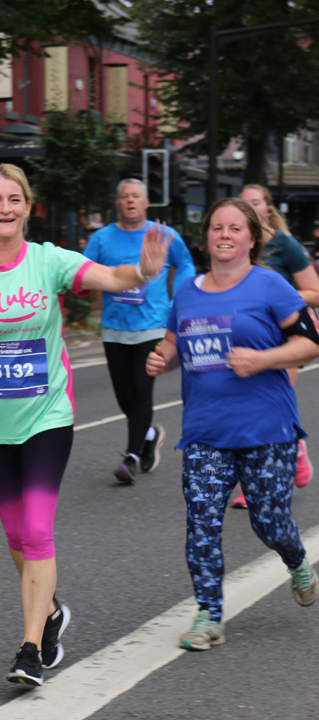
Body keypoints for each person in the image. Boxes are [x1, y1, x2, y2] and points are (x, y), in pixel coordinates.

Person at [0, 163, 169, 686]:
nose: (5, 208)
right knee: (17, 536)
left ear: (27, 207)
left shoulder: (48, 261)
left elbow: (112, 278)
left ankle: (30, 648)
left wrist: (143, 272)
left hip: (47, 417)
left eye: (14, 199)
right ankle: (53, 611)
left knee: (36, 530)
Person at [145, 198, 319, 650]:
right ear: (206, 237)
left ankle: (297, 560)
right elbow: (172, 344)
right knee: (201, 522)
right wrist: (160, 360)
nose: (224, 234)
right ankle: (209, 615)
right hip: (205, 431)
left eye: (235, 228)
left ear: (252, 239)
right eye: (217, 227)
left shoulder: (272, 286)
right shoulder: (186, 291)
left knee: (269, 522)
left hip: (267, 429)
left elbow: (310, 343)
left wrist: (263, 359)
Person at [83, 179, 194, 484]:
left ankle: (131, 457)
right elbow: (81, 271)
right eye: (125, 197)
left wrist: (176, 299)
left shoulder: (164, 235)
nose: (130, 201)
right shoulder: (102, 238)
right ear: (117, 203)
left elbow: (185, 264)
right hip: (114, 327)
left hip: (153, 325)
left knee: (142, 391)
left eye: (136, 196)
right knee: (124, 396)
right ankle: (149, 434)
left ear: (146, 203)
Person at [229, 184, 319, 507]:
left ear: (268, 208)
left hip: (284, 340)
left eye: (255, 203)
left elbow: (315, 291)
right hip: (245, 338)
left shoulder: (286, 246)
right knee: (244, 408)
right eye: (244, 203)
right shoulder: (237, 246)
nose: (250, 208)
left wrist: (278, 299)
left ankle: (282, 458)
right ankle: (258, 476)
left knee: (270, 406)